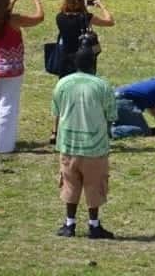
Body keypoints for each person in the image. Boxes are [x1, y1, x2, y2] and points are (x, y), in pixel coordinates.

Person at [53, 48, 117, 239]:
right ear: (93, 64)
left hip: (68, 145)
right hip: (95, 146)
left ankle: (69, 224)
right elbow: (111, 115)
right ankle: (94, 225)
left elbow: (56, 111)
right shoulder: (102, 86)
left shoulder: (62, 84)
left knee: (70, 184)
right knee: (95, 185)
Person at [0, 0, 44, 154]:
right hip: (12, 71)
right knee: (7, 106)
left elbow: (2, 14)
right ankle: (2, 145)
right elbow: (39, 18)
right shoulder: (13, 20)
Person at [51, 0, 114, 143]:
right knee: (85, 93)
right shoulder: (85, 17)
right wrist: (101, 5)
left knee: (62, 95)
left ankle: (54, 131)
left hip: (65, 60)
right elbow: (110, 21)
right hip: (84, 59)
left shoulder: (59, 18)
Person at [112, 66, 155, 139]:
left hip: (114, 99)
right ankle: (109, 132)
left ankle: (107, 129)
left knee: (126, 126)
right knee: (143, 131)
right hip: (123, 102)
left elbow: (153, 112)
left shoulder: (152, 84)